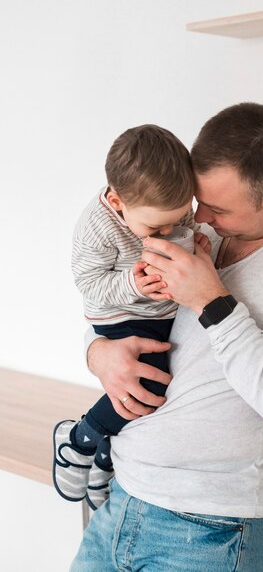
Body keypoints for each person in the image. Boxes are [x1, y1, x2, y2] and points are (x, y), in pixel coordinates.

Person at [70, 102, 263, 572]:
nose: (199, 217)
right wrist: (97, 352)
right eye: (199, 200)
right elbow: (120, 308)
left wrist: (213, 301)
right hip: (120, 499)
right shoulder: (190, 225)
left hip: (211, 532)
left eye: (218, 207)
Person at [53, 124, 210, 510]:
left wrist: (197, 241)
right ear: (117, 200)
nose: (170, 232)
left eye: (180, 218)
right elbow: (89, 285)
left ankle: (107, 450)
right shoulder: (96, 228)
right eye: (157, 228)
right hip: (118, 314)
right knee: (149, 383)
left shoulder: (168, 210)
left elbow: (183, 231)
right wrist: (133, 286)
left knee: (168, 384)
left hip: (161, 310)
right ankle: (81, 439)